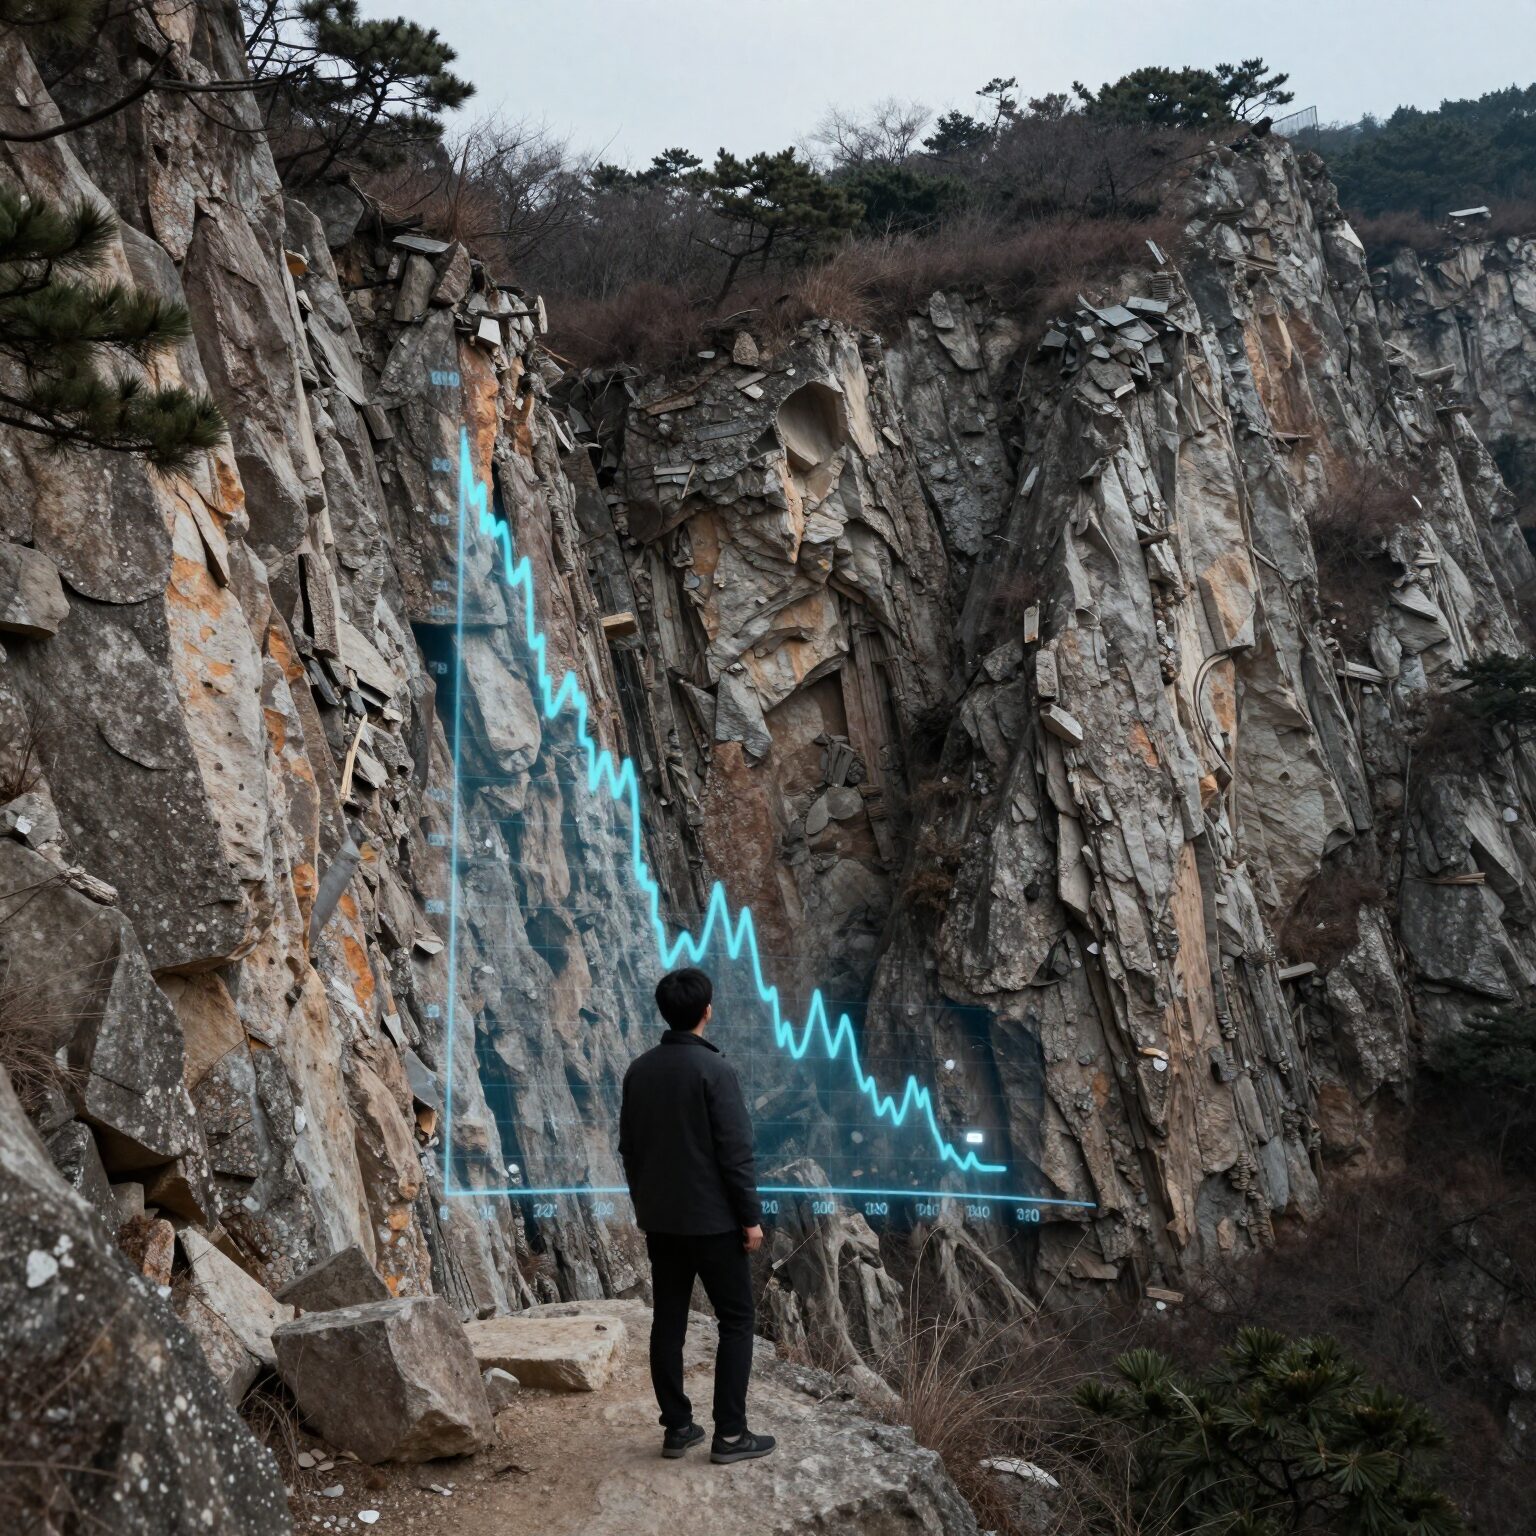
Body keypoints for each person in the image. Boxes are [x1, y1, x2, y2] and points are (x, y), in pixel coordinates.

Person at [618, 966, 776, 1465]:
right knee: (736, 1320)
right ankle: (730, 1435)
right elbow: (736, 1153)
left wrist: (646, 1204)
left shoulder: (639, 1071)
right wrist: (750, 1219)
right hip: (714, 1223)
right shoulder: (716, 1071)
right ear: (707, 1011)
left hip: (662, 1222)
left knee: (668, 1321)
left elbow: (629, 1149)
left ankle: (678, 1427)